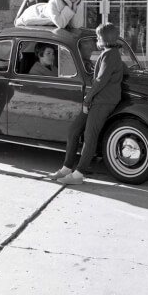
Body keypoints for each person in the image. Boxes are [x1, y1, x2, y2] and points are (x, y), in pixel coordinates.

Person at [49, 22, 124, 185]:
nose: (97, 40)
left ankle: (78, 174)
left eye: (98, 37)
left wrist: (87, 99)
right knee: (74, 130)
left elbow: (100, 80)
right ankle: (66, 168)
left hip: (103, 101)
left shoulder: (110, 54)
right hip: (100, 99)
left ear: (104, 38)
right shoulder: (112, 54)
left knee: (90, 136)